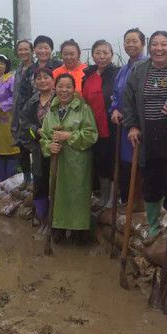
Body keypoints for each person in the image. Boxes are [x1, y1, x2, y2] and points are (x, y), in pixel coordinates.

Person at [122, 31, 167, 245]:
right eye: (155, 44)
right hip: (147, 134)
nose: (159, 49)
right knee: (150, 181)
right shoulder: (140, 70)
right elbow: (128, 99)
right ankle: (154, 226)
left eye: (164, 44)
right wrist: (132, 126)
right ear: (149, 48)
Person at [40, 74, 98, 243]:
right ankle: (58, 227)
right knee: (58, 195)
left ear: (74, 89)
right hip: (58, 161)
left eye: (68, 87)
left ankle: (78, 232)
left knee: (77, 195)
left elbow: (91, 135)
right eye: (60, 86)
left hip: (78, 163)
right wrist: (49, 146)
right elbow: (44, 136)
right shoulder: (52, 110)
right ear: (55, 88)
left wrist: (69, 136)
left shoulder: (83, 109)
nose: (64, 90)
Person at [109, 28, 147, 204]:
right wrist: (115, 109)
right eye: (127, 41)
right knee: (126, 164)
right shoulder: (123, 70)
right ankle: (128, 203)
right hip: (124, 126)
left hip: (142, 125)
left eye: (134, 41)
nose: (130, 44)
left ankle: (143, 206)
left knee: (142, 165)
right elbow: (116, 94)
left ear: (143, 44)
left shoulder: (147, 66)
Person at [82, 40, 120, 210]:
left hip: (111, 125)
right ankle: (103, 197)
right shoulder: (88, 75)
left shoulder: (116, 74)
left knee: (112, 161)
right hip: (91, 126)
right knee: (99, 162)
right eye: (98, 52)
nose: (102, 56)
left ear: (112, 55)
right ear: (92, 55)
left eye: (105, 52)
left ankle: (112, 198)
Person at [19, 66, 56, 233]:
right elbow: (24, 122)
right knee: (40, 182)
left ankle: (56, 220)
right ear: (34, 82)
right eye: (39, 78)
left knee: (56, 182)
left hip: (58, 148)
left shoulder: (60, 98)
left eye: (46, 77)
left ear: (53, 80)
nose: (42, 81)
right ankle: (42, 218)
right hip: (39, 147)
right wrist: (36, 130)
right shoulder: (32, 102)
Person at [17, 35, 62, 117]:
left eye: (46, 48)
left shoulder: (59, 66)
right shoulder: (30, 70)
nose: (43, 51)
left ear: (51, 49)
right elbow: (23, 93)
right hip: (33, 112)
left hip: (56, 111)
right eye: (40, 48)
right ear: (34, 50)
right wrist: (24, 112)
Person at [12, 39, 34, 187]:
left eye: (26, 49)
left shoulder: (35, 69)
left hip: (32, 113)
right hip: (18, 113)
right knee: (22, 147)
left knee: (34, 147)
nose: (23, 52)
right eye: (20, 49)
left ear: (32, 51)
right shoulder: (18, 70)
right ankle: (26, 178)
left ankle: (36, 180)